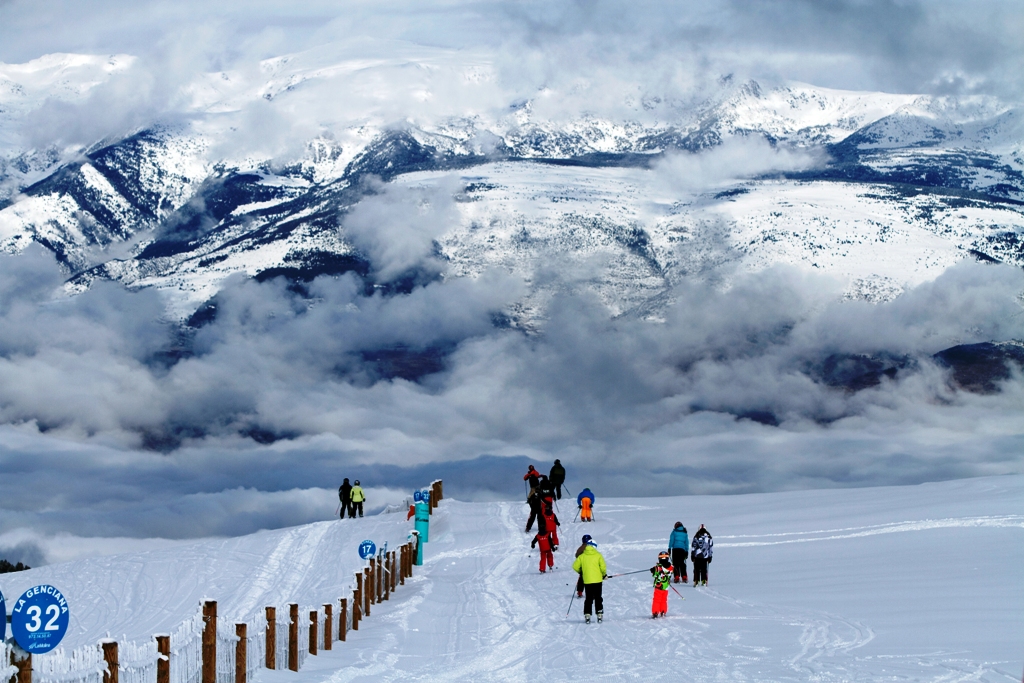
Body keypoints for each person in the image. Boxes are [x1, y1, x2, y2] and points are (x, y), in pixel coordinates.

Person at [571, 535, 607, 623]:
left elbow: (574, 566)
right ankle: (599, 613)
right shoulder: (598, 555)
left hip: (587, 580)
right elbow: (602, 567)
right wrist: (604, 575)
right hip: (598, 580)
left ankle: (587, 614)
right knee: (598, 597)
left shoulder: (582, 556)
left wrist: (581, 571)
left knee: (589, 598)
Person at [650, 551, 673, 618]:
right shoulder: (670, 567)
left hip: (659, 586)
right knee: (663, 599)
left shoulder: (658, 567)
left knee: (657, 600)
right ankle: (663, 611)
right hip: (666, 586)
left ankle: (655, 612)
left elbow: (655, 575)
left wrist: (653, 571)